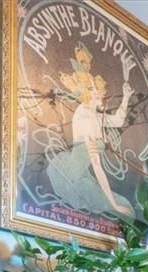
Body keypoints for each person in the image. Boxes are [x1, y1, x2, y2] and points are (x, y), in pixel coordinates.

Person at [47, 44, 134, 219]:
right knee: (124, 207)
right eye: (93, 89)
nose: (100, 93)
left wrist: (126, 97)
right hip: (75, 180)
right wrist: (113, 204)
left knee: (127, 209)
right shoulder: (86, 119)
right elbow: (97, 166)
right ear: (87, 93)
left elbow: (118, 120)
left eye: (97, 88)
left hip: (83, 174)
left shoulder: (93, 115)